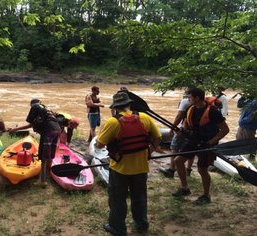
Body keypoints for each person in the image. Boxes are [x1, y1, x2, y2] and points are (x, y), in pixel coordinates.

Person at [96, 92, 162, 235]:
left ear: (115, 108)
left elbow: (100, 144)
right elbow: (157, 138)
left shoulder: (113, 122)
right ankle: (141, 224)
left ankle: (117, 227)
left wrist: (102, 130)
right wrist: (149, 153)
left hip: (120, 170)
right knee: (140, 197)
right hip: (141, 168)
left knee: (117, 199)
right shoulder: (145, 117)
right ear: (129, 104)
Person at [172, 88, 229, 204]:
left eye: (190, 97)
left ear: (197, 98)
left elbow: (225, 130)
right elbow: (186, 123)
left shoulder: (213, 112)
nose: (188, 99)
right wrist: (183, 130)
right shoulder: (191, 108)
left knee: (202, 169)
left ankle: (206, 196)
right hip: (193, 140)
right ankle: (185, 188)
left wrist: (211, 142)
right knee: (178, 161)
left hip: (207, 144)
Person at [9, 98, 61, 187]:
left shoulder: (35, 106)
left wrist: (15, 129)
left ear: (31, 104)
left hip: (48, 131)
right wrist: (16, 129)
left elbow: (30, 123)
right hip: (57, 129)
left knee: (44, 156)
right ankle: (48, 174)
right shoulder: (46, 109)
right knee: (50, 153)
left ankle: (43, 181)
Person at [159, 91, 194, 178]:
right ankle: (188, 170)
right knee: (192, 148)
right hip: (193, 130)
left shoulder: (185, 101)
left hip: (182, 129)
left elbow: (179, 116)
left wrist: (172, 128)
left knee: (174, 148)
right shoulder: (201, 102)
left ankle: (171, 170)